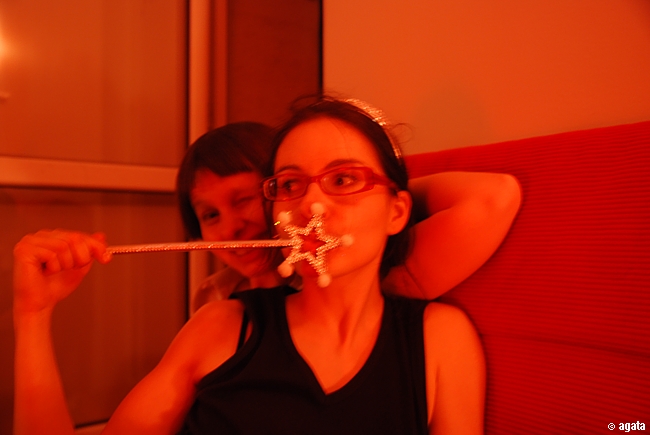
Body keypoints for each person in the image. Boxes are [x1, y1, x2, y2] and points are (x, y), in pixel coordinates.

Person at [13, 96, 486, 434]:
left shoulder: (438, 338)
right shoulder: (219, 323)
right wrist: (33, 315)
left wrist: (384, 202)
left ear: (399, 211)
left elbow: (492, 199)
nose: (312, 203)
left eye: (343, 179)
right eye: (290, 185)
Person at [179, 121, 521, 314]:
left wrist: (382, 199)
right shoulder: (212, 296)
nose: (231, 227)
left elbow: (493, 196)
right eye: (210, 215)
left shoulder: (354, 283)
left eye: (243, 201)